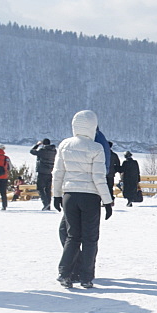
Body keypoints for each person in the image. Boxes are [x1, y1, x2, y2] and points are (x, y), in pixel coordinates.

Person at [52, 110, 114, 289]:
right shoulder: (96, 148)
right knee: (90, 238)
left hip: (69, 195)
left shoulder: (64, 145)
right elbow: (99, 177)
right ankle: (86, 277)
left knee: (72, 236)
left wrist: (56, 195)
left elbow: (58, 173)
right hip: (90, 197)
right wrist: (107, 201)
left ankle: (65, 274)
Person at [30, 138, 57, 210]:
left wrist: (37, 145)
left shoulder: (42, 150)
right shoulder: (54, 151)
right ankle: (48, 205)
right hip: (50, 172)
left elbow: (32, 151)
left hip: (42, 172)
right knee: (48, 189)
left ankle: (45, 203)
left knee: (40, 188)